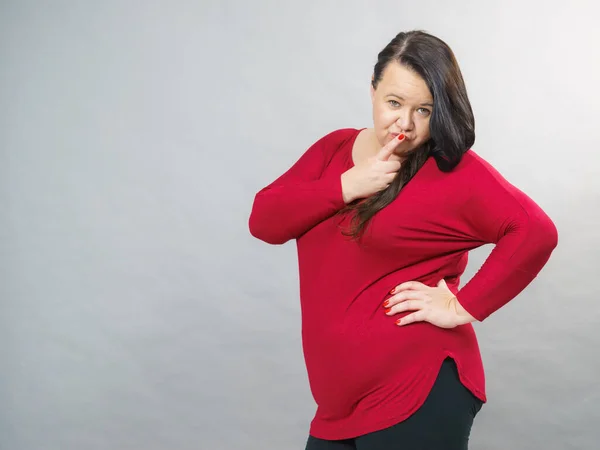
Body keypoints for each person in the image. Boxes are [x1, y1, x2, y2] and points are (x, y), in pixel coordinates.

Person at [247, 30, 558, 450]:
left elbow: (535, 232)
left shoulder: (454, 171)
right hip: (337, 408)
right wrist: (346, 185)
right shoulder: (333, 150)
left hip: (417, 390)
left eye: (424, 110)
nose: (405, 123)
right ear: (373, 91)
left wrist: (462, 306)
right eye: (394, 103)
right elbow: (265, 222)